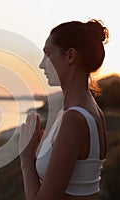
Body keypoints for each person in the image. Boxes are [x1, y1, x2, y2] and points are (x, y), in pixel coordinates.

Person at [18, 19, 109, 200]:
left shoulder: (74, 118)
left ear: (70, 56)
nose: (42, 64)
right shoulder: (86, 111)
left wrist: (26, 159)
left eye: (47, 54)